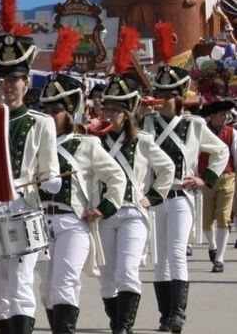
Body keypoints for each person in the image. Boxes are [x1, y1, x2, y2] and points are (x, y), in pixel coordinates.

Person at [0, 0, 61, 334]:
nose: (9, 86)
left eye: (15, 80)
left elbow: (50, 169)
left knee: (22, 284)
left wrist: (51, 181)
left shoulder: (41, 123)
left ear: (27, 83)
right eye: (4, 80)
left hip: (24, 204)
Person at [36, 39, 128, 334]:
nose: (49, 116)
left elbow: (117, 177)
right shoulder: (34, 144)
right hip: (40, 224)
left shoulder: (87, 145)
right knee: (47, 290)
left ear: (68, 111)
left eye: (55, 111)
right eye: (45, 110)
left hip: (73, 223)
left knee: (65, 283)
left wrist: (103, 209)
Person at [142, 34, 229, 333]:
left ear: (179, 96)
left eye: (168, 94)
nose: (162, 99)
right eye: (160, 93)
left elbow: (221, 151)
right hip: (155, 198)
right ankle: (165, 315)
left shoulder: (194, 124)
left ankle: (178, 314)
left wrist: (205, 178)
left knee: (177, 253)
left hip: (181, 196)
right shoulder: (147, 124)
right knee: (160, 258)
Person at [95, 39, 174, 334]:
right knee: (106, 279)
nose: (108, 115)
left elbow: (166, 168)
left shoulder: (142, 141)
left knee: (127, 271)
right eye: (106, 109)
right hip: (104, 214)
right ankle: (117, 322)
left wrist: (153, 196)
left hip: (132, 212)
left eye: (114, 110)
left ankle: (123, 328)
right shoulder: (95, 141)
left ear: (128, 112)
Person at [197, 100, 237, 272]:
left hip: (227, 178)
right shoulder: (200, 132)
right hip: (206, 180)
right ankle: (212, 246)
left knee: (223, 218)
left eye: (227, 114)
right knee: (206, 223)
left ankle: (219, 259)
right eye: (222, 114)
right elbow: (194, 156)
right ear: (212, 116)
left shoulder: (232, 133)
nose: (226, 117)